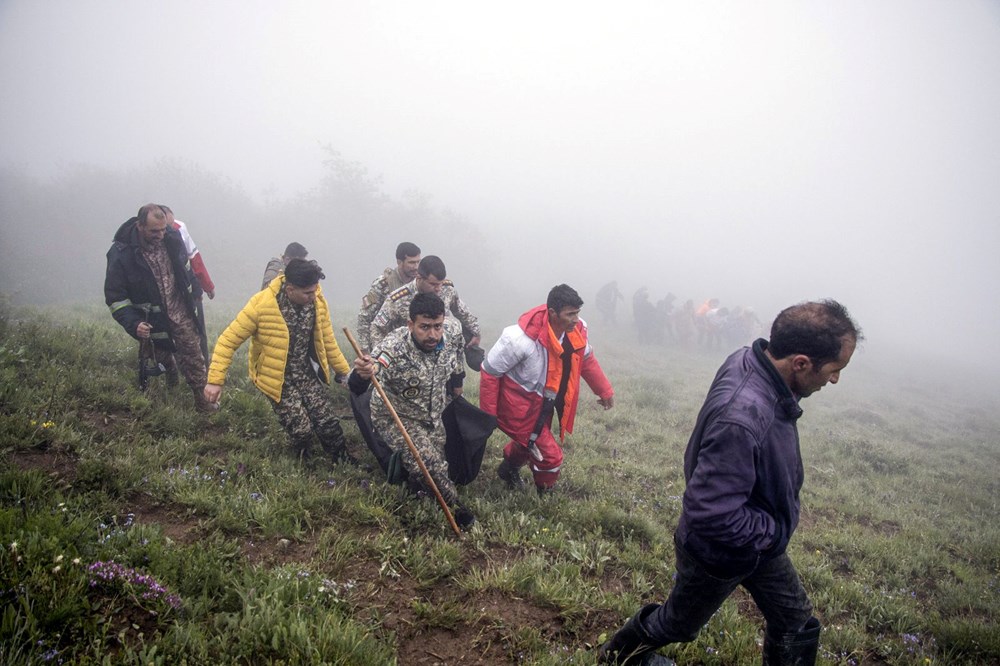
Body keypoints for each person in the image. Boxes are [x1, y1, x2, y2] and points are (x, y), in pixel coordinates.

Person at [599, 300, 863, 666]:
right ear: (801, 363)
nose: (834, 379)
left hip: (757, 542)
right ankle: (619, 656)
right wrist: (771, 534)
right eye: (834, 370)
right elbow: (711, 512)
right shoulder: (742, 419)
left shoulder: (751, 361)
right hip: (720, 552)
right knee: (679, 624)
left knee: (796, 621)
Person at [204, 258, 352, 462]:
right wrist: (215, 380)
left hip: (305, 372)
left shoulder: (317, 300)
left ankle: (341, 458)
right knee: (302, 429)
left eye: (315, 290)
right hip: (276, 378)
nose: (314, 295)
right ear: (290, 289)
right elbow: (227, 341)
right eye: (307, 293)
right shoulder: (261, 305)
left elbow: (327, 339)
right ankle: (302, 461)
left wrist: (344, 373)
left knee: (327, 421)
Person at [350, 293, 476, 529]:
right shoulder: (393, 347)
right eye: (424, 327)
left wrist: (458, 384)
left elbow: (456, 363)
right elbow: (366, 377)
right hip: (397, 417)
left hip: (432, 416)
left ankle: (414, 485)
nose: (432, 334)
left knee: (435, 464)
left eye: (437, 326)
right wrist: (362, 372)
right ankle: (458, 511)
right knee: (430, 466)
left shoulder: (451, 333)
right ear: (410, 324)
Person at [480, 284, 614, 495]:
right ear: (552, 312)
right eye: (570, 314)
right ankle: (546, 492)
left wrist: (604, 390)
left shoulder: (576, 330)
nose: (576, 319)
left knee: (528, 441)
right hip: (518, 406)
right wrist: (487, 417)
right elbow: (490, 373)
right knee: (551, 456)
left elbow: (585, 359)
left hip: (544, 404)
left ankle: (508, 469)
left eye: (577, 313)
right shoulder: (519, 339)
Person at [104, 203, 214, 411]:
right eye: (155, 231)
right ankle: (170, 373)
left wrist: (197, 291)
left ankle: (202, 400)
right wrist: (133, 323)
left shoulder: (172, 238)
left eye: (164, 229)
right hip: (150, 319)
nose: (161, 234)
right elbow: (115, 297)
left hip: (179, 310)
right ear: (140, 226)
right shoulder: (121, 253)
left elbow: (186, 268)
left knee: (193, 353)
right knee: (161, 357)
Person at [369, 255, 481, 371]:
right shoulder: (398, 299)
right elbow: (377, 326)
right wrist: (382, 356)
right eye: (433, 284)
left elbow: (463, 313)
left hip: (442, 359)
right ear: (419, 277)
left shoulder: (447, 290)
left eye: (440, 283)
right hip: (409, 362)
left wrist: (476, 333)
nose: (438, 288)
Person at [160, 205, 215, 361]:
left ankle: (204, 366)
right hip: (168, 292)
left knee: (198, 328)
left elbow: (195, 259)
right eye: (166, 227)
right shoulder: (153, 234)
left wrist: (207, 285)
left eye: (170, 225)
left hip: (190, 288)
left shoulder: (180, 227)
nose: (168, 231)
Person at [356, 242, 421, 351]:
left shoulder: (420, 283)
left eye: (418, 262)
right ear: (399, 262)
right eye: (412, 263)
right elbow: (364, 318)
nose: (416, 267)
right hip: (387, 346)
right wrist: (365, 351)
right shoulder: (382, 284)